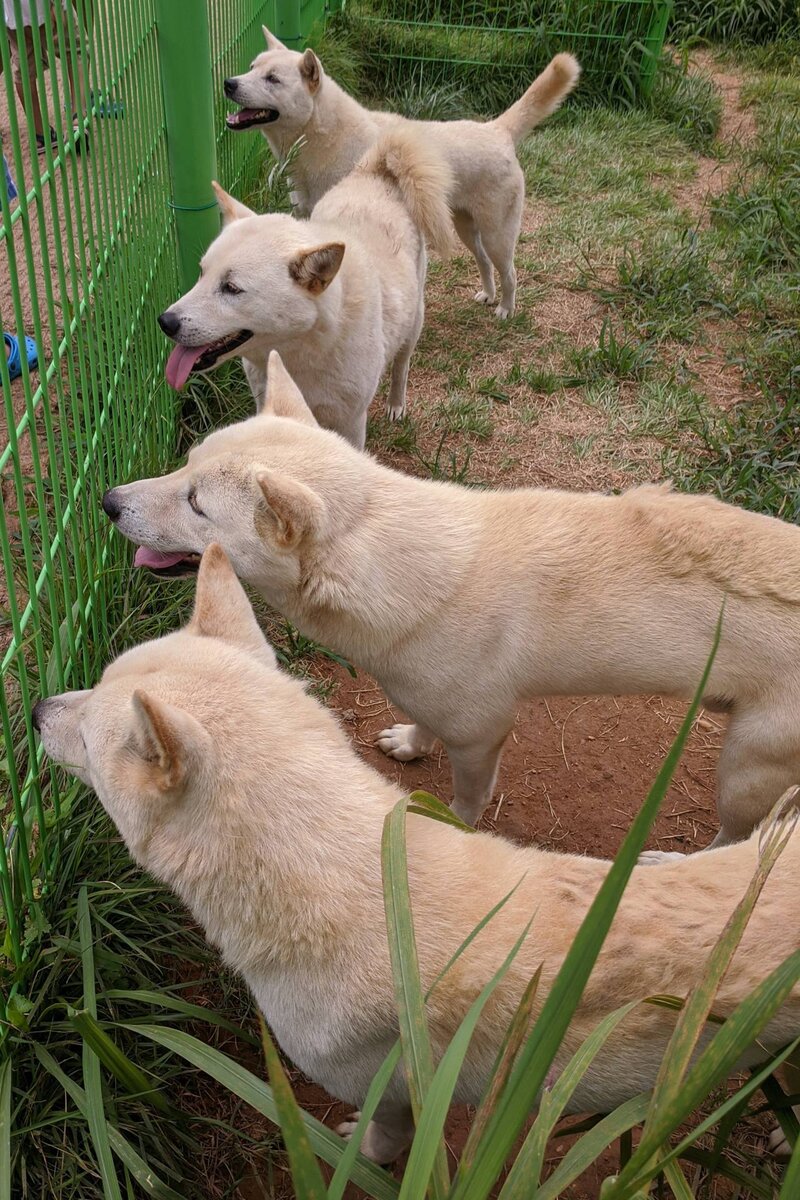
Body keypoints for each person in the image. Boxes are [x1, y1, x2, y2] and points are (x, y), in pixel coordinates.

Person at [1, 1, 86, 154]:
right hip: (43, 7)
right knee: (76, 50)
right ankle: (77, 119)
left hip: (13, 14)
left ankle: (40, 135)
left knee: (24, 68)